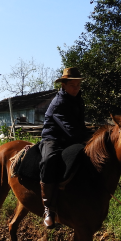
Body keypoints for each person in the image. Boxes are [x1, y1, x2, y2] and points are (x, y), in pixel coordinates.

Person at [39, 67, 92, 229]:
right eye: (72, 85)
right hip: (53, 138)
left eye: (78, 85)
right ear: (63, 85)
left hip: (70, 139)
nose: (76, 88)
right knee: (49, 160)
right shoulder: (59, 103)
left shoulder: (78, 100)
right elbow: (71, 130)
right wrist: (89, 137)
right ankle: (48, 210)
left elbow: (80, 127)